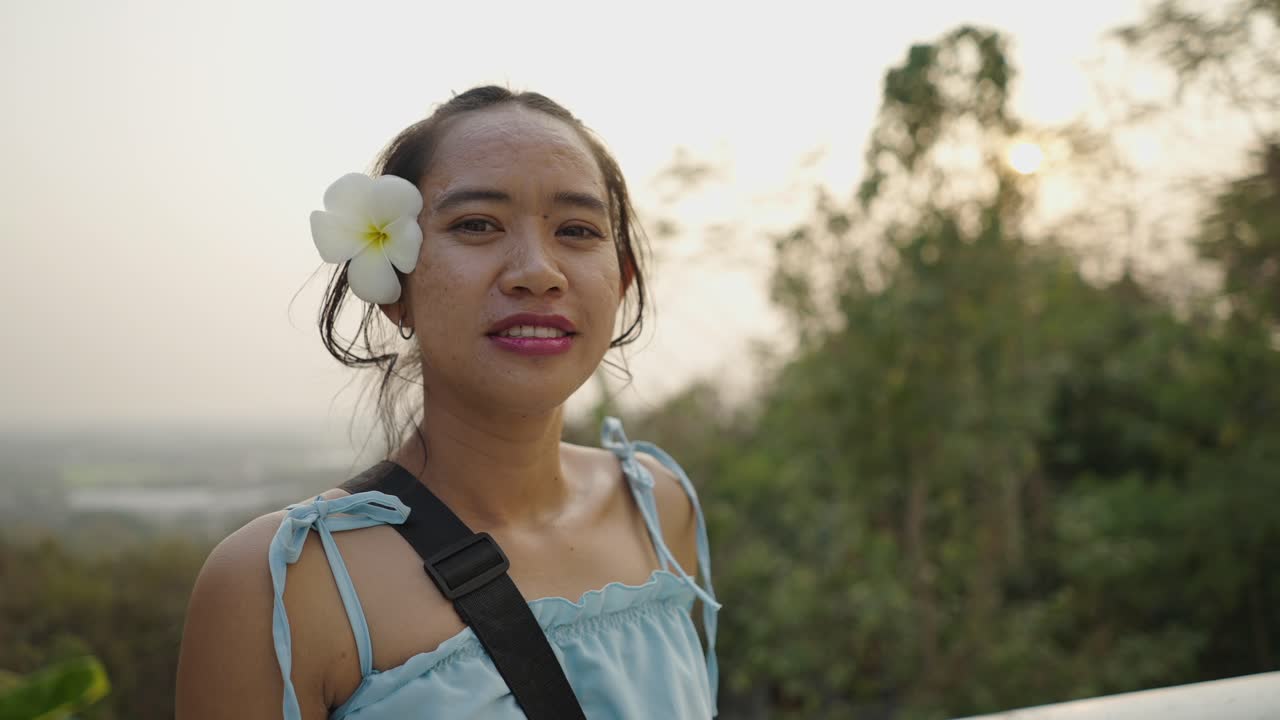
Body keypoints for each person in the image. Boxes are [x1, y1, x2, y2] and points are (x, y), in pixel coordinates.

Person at [175, 86, 720, 719]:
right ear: (391, 285)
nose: (538, 271)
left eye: (576, 229)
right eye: (476, 225)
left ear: (620, 281)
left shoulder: (657, 506)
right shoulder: (284, 587)